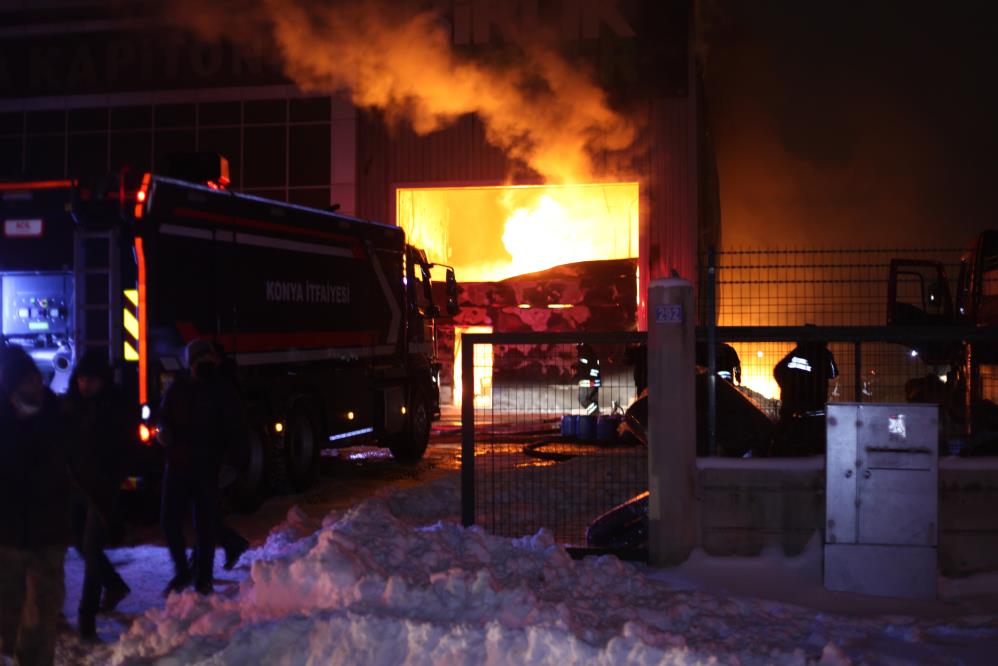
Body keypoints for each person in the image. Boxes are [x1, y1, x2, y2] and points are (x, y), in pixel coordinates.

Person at [0, 346, 71, 665]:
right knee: (8, 611)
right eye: (25, 382)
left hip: (48, 533)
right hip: (8, 535)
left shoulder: (57, 416)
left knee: (42, 612)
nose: (33, 387)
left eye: (34, 379)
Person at [158, 340, 243, 596]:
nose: (201, 365)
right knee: (169, 523)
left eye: (206, 360)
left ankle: (203, 579)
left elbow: (237, 431)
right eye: (197, 361)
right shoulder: (178, 388)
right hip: (178, 466)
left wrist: (231, 465)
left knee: (205, 527)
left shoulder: (223, 390)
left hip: (208, 468)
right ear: (190, 363)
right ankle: (183, 571)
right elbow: (163, 416)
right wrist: (163, 430)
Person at [64, 351, 133, 641]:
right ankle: (114, 584)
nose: (84, 385)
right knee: (80, 544)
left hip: (101, 489)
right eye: (81, 379)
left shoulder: (113, 408)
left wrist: (112, 477)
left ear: (102, 381)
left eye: (90, 380)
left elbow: (122, 448)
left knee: (91, 547)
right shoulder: (72, 406)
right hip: (76, 486)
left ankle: (87, 616)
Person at [773, 337, 839, 454]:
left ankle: (781, 456)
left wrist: (786, 387)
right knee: (814, 441)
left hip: (791, 406)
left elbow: (778, 370)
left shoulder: (797, 353)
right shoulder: (823, 354)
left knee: (785, 438)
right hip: (814, 406)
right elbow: (833, 373)